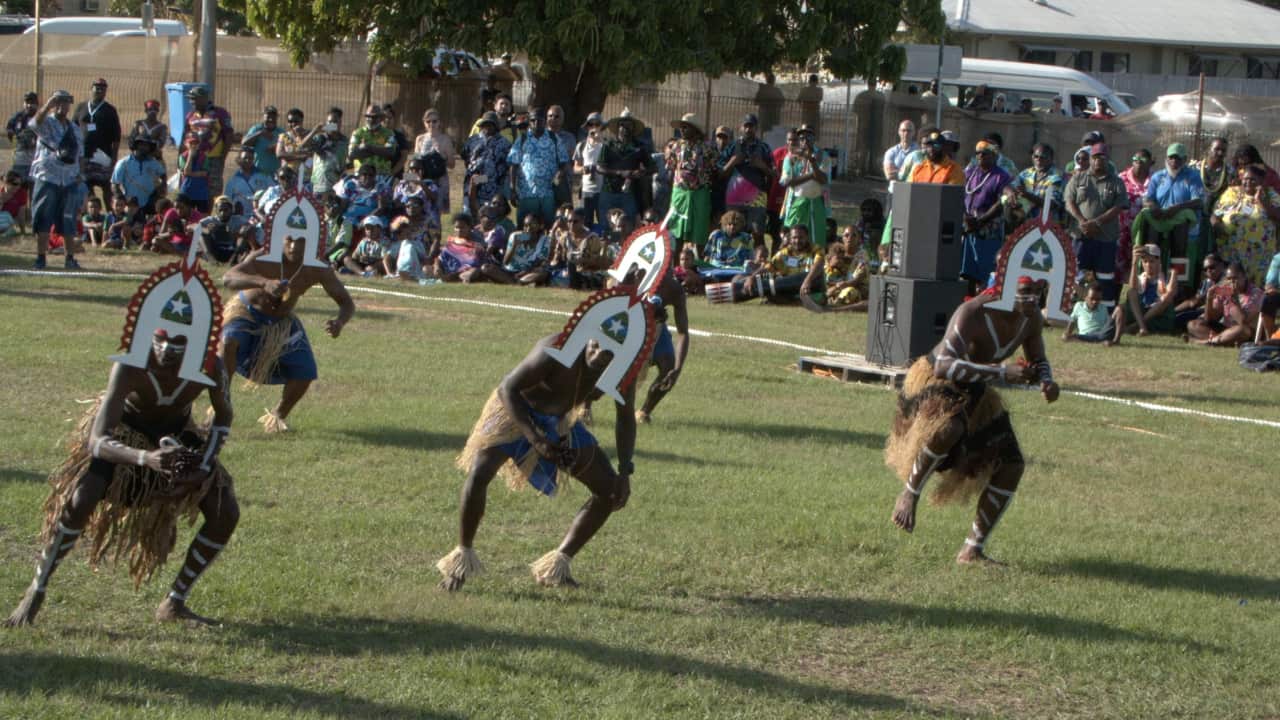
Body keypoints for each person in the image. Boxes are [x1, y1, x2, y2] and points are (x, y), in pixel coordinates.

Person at [3, 248, 236, 627]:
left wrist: (204, 465)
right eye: (161, 340)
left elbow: (224, 418)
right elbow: (98, 440)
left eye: (180, 344)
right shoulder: (130, 366)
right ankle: (37, 588)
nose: (167, 352)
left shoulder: (211, 367)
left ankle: (174, 602)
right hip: (125, 438)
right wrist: (144, 459)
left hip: (178, 439)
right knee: (82, 498)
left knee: (226, 511)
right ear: (148, 330)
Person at [437, 289, 655, 591]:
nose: (598, 355)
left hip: (558, 422)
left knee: (610, 491)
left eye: (609, 354)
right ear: (588, 333)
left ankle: (557, 566)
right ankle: (461, 558)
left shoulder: (621, 375)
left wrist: (625, 470)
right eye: (595, 345)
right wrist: (537, 440)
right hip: (512, 413)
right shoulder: (555, 347)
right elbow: (507, 389)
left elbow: (624, 418)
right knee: (480, 474)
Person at [886, 276, 1060, 565]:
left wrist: (1046, 381)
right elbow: (944, 364)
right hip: (935, 380)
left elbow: (1037, 355)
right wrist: (1002, 373)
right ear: (1005, 289)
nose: (1033, 299)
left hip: (977, 387)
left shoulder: (1031, 320)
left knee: (1012, 463)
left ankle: (972, 550)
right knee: (949, 426)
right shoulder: (974, 312)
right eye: (1026, 292)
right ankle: (910, 492)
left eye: (1039, 292)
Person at [220, 224, 357, 433]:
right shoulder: (264, 256)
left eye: (300, 240)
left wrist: (339, 322)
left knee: (306, 371)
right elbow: (228, 278)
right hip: (247, 313)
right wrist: (263, 282)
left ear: (310, 242)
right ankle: (220, 406)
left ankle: (277, 417)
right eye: (289, 239)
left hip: (281, 322)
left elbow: (346, 303)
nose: (293, 246)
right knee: (229, 341)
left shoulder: (316, 267)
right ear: (281, 239)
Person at [1064, 143, 1128, 310]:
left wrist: (1097, 222)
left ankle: (1105, 314)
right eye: (1095, 157)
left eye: (1102, 157)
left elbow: (1119, 206)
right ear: (1090, 159)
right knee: (1079, 275)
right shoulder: (1078, 178)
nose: (1098, 160)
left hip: (1105, 238)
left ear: (1107, 159)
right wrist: (1082, 221)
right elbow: (1069, 201)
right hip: (1081, 236)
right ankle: (1077, 310)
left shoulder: (1117, 182)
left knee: (1105, 278)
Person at [1133, 143, 1204, 286]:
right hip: (1160, 217)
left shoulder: (1193, 176)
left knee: (1179, 243)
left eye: (1178, 158)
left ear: (1185, 159)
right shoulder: (1158, 177)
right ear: (1166, 158)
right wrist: (1153, 207)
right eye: (1171, 158)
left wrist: (1177, 208)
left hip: (1181, 219)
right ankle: (1150, 282)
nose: (1174, 162)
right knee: (1151, 242)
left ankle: (1178, 284)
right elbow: (1148, 198)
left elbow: (1199, 201)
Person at [30, 90, 85, 271]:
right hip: (47, 177)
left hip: (68, 179)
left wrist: (80, 174)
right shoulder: (46, 122)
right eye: (59, 102)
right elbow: (34, 123)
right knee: (43, 218)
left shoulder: (75, 129)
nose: (62, 105)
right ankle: (41, 257)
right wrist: (47, 105)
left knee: (68, 220)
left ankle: (69, 258)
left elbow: (80, 155)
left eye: (66, 102)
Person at [1211, 164, 1280, 287]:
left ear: (1262, 181)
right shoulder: (1232, 193)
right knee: (1233, 286)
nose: (1248, 182)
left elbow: (1277, 216)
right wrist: (1217, 225)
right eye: (1245, 179)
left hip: (1260, 257)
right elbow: (1215, 214)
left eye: (1253, 179)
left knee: (1256, 290)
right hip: (1232, 252)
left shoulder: (1270, 195)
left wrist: (1262, 202)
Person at [960, 141, 1012, 287]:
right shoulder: (969, 172)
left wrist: (981, 220)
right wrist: (965, 217)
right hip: (968, 228)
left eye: (985, 153)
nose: (980, 156)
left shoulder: (1000, 176)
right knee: (966, 273)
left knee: (985, 274)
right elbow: (959, 195)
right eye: (978, 153)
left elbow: (1003, 200)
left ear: (994, 156)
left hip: (988, 230)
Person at [508, 105, 569, 226]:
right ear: (529, 121)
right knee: (525, 226)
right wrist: (512, 188)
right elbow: (513, 164)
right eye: (533, 120)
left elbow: (564, 160)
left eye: (539, 120)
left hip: (548, 192)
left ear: (545, 121)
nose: (536, 123)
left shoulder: (553, 138)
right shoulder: (522, 139)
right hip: (526, 192)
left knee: (549, 225)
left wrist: (560, 172)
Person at [664, 113, 716, 253]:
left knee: (700, 231)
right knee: (676, 230)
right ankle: (676, 266)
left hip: (700, 193)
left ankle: (699, 266)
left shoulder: (707, 147)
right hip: (680, 193)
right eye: (681, 127)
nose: (682, 130)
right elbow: (671, 167)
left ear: (695, 129)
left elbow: (713, 167)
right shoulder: (676, 146)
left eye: (686, 127)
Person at [1185, 261, 1262, 346]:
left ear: (1244, 277)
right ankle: (1223, 341)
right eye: (1229, 279)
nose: (1232, 282)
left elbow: (1243, 321)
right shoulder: (1225, 289)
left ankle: (1205, 341)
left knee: (1242, 330)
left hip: (1244, 330)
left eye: (1235, 278)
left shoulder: (1256, 294)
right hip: (1226, 330)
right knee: (1192, 324)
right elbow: (1209, 319)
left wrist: (1235, 299)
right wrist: (1209, 298)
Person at [721, 113, 774, 234]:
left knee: (757, 234)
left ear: (756, 128)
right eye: (746, 126)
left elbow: (774, 174)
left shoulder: (764, 148)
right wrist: (733, 162)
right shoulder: (732, 146)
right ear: (740, 127)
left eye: (751, 126)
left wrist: (762, 166)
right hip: (734, 198)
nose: (748, 129)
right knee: (732, 233)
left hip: (757, 198)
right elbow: (720, 173)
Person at [780, 125, 831, 249]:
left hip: (816, 202)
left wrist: (812, 162)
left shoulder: (823, 156)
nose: (805, 140)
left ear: (814, 138)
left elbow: (824, 180)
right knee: (793, 239)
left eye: (809, 137)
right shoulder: (791, 157)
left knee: (816, 240)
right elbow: (788, 182)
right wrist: (812, 175)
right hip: (798, 202)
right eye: (801, 137)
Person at [72, 78, 122, 206]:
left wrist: (114, 159)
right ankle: (92, 214)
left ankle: (111, 214)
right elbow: (73, 129)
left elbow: (116, 137)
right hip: (84, 156)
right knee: (86, 187)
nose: (99, 90)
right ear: (91, 89)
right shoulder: (81, 107)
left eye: (103, 88)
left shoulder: (110, 110)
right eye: (97, 87)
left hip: (103, 155)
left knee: (106, 188)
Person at [598, 110, 652, 224]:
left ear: (633, 129)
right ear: (618, 127)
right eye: (623, 125)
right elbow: (599, 168)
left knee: (628, 225)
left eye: (629, 126)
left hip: (628, 192)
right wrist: (620, 173)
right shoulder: (608, 145)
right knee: (606, 226)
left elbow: (652, 167)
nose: (625, 128)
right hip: (608, 191)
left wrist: (641, 172)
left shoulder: (640, 147)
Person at [181, 86, 234, 197]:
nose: (191, 101)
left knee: (212, 190)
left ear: (204, 98)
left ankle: (207, 213)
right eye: (190, 99)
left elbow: (229, 136)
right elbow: (184, 136)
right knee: (192, 186)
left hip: (213, 157)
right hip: (194, 158)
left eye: (194, 98)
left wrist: (222, 157)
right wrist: (182, 157)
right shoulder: (190, 116)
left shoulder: (220, 113)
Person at [461, 111, 512, 218]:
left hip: (493, 186)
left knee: (489, 218)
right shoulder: (473, 140)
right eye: (485, 124)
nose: (488, 127)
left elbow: (509, 164)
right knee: (469, 216)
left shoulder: (505, 143)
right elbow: (465, 157)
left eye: (491, 124)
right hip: (473, 184)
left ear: (496, 126)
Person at [1123, 244, 1178, 335]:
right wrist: (1134, 263)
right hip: (1142, 313)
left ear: (1158, 261)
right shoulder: (1141, 278)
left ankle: (1136, 326)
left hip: (1159, 317)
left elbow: (1171, 294)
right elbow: (1133, 287)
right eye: (1145, 261)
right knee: (1131, 292)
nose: (1148, 265)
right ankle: (1142, 326)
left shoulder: (1166, 277)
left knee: (1165, 297)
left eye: (1151, 261)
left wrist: (1174, 274)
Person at [483, 212, 552, 285]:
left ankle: (513, 282)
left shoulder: (545, 240)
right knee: (486, 267)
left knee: (543, 272)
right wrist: (514, 246)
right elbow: (505, 262)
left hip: (527, 272)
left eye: (532, 225)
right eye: (525, 226)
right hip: (509, 271)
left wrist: (523, 273)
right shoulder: (515, 236)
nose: (528, 229)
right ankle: (515, 283)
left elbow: (539, 262)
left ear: (541, 226)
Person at [1008, 143, 1064, 225]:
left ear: (1051, 159)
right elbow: (1012, 185)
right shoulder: (1026, 173)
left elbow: (1052, 204)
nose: (1039, 159)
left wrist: (1027, 195)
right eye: (1036, 156)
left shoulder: (1057, 177)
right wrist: (1011, 193)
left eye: (1043, 157)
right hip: (1025, 223)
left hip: (1046, 226)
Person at [413, 108, 456, 216]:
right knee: (421, 210)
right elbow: (416, 161)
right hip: (424, 179)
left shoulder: (445, 139)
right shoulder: (420, 139)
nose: (431, 124)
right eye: (428, 121)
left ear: (439, 123)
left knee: (436, 213)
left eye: (434, 121)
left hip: (439, 180)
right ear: (424, 123)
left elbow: (452, 164)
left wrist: (440, 159)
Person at [110, 136, 165, 214]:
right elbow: (114, 184)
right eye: (142, 144)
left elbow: (163, 175)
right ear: (135, 145)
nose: (144, 147)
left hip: (150, 203)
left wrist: (161, 188)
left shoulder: (154, 163)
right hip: (130, 205)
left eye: (147, 145)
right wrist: (122, 200)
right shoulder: (123, 163)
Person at [223, 149, 272, 236]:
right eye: (245, 158)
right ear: (239, 160)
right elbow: (226, 201)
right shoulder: (233, 180)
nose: (248, 160)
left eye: (250, 158)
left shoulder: (264, 176)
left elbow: (273, 193)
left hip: (260, 217)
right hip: (240, 219)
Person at [573, 112, 606, 228]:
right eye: (591, 124)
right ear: (587, 127)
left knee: (604, 221)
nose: (594, 127)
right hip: (586, 190)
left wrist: (600, 140)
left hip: (603, 189)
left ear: (601, 126)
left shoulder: (606, 145)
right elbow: (575, 168)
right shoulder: (581, 146)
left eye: (597, 124)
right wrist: (583, 169)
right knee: (586, 223)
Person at [1174, 253, 1226, 327]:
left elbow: (1196, 302)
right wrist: (1173, 311)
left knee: (1178, 320)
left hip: (1216, 315)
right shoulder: (1207, 281)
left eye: (1212, 267)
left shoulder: (1226, 281)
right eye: (1205, 269)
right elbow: (1193, 301)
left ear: (1221, 266)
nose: (1208, 271)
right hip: (1203, 311)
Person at [348, 105, 398, 178]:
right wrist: (379, 150)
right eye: (368, 116)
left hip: (382, 176)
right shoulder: (357, 133)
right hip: (361, 177)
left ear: (381, 118)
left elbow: (390, 151)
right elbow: (352, 154)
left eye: (374, 117)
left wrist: (368, 148)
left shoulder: (389, 134)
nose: (371, 119)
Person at [309, 108, 348, 197]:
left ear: (340, 123)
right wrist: (314, 131)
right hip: (319, 185)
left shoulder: (344, 141)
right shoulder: (320, 138)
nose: (332, 125)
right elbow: (302, 146)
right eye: (329, 122)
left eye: (335, 122)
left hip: (336, 186)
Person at [177, 135, 211, 213]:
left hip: (201, 192)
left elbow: (204, 173)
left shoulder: (204, 157)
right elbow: (186, 171)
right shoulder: (182, 157)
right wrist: (190, 156)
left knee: (202, 215)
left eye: (196, 143)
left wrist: (189, 173)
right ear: (186, 144)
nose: (194, 145)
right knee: (187, 214)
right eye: (191, 143)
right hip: (187, 192)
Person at [127, 99, 168, 163]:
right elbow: (131, 141)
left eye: (155, 109)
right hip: (137, 157)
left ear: (158, 111)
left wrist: (147, 145)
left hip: (154, 158)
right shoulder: (138, 124)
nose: (152, 112)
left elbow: (161, 143)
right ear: (146, 111)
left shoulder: (162, 127)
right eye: (150, 109)